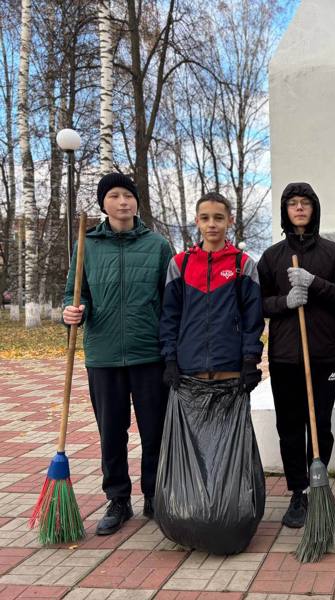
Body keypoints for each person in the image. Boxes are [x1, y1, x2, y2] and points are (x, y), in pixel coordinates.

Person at [62, 173, 172, 535]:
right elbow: (74, 296)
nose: (123, 202)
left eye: (129, 195)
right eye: (114, 195)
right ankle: (118, 499)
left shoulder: (157, 246)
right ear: (103, 203)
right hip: (104, 355)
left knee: (154, 430)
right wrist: (71, 312)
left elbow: (171, 301)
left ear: (137, 202)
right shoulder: (87, 245)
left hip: (148, 353)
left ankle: (155, 494)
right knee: (112, 431)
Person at [258, 182, 335, 528]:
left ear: (314, 209)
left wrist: (314, 282)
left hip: (321, 354)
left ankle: (318, 483)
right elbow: (257, 304)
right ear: (285, 211)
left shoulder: (332, 253)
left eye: (305, 204)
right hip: (285, 357)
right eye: (292, 204)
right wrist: (285, 302)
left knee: (321, 425)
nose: (299, 209)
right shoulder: (271, 257)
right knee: (289, 426)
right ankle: (298, 492)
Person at [159, 191, 264, 394]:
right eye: (205, 218)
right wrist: (170, 359)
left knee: (232, 428)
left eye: (219, 218)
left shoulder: (242, 264)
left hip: (231, 370)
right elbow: (169, 317)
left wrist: (250, 360)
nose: (212, 224)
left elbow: (253, 320)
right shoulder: (180, 263)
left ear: (230, 221)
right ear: (197, 221)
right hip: (188, 370)